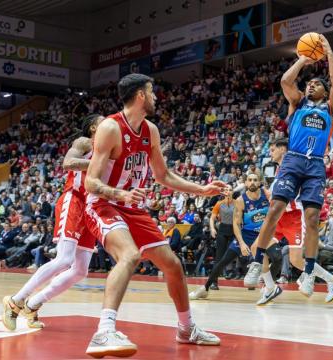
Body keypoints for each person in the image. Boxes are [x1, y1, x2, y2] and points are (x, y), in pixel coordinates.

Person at [84, 74, 226, 357]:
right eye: (152, 92)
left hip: (132, 208)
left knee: (172, 264)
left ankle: (186, 329)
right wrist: (119, 194)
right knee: (130, 255)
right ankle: (104, 331)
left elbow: (163, 175)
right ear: (140, 96)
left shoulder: (150, 130)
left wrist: (202, 190)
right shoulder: (110, 128)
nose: (156, 97)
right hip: (103, 204)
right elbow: (90, 182)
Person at [245, 34, 333, 297]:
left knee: (311, 218)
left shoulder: (330, 109)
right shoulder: (297, 103)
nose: (311, 86)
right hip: (294, 159)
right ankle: (257, 263)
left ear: (323, 91)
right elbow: (285, 80)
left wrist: (329, 52)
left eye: (315, 84)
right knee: (275, 208)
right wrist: (304, 58)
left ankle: (309, 273)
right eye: (309, 84)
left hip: (315, 164)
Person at [2, 114, 104, 331]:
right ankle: (16, 301)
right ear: (94, 127)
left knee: (80, 271)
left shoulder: (109, 149)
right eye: (104, 121)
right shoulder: (85, 142)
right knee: (64, 259)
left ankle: (33, 304)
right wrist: (98, 161)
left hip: (91, 208)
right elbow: (68, 163)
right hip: (74, 199)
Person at [258, 138, 333, 304]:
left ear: (283, 149)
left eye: (273, 148)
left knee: (296, 260)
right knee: (257, 248)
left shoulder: (296, 165)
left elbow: (297, 194)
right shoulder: (280, 169)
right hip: (281, 217)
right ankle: (270, 287)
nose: (270, 152)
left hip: (295, 217)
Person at [189, 174, 276, 302]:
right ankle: (205, 288)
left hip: (263, 235)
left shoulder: (266, 195)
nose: (252, 182)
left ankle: (268, 287)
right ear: (245, 183)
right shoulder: (236, 201)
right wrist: (240, 242)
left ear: (259, 183)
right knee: (222, 261)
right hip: (243, 235)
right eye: (250, 180)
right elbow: (234, 223)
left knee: (278, 257)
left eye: (255, 180)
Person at [208, 185, 235, 290]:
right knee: (219, 257)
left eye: (230, 189)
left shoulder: (238, 203)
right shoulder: (219, 204)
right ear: (223, 193)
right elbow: (212, 218)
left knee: (237, 253)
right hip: (222, 230)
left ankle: (247, 280)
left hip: (234, 230)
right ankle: (214, 282)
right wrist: (212, 228)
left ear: (232, 192)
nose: (228, 191)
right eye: (226, 190)